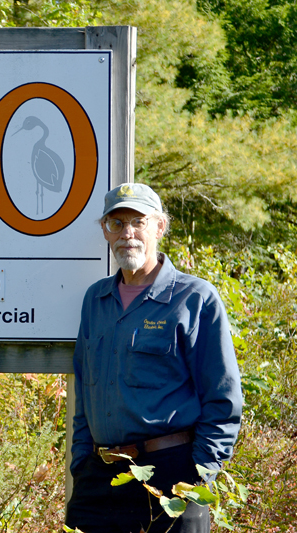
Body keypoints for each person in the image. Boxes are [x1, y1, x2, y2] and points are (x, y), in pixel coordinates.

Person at [65, 183, 243, 533]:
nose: (127, 233)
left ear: (160, 227)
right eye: (116, 224)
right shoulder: (95, 301)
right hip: (99, 478)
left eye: (138, 222)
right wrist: (82, 462)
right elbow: (85, 392)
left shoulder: (195, 298)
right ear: (105, 231)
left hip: (172, 475)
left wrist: (198, 474)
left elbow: (223, 399)